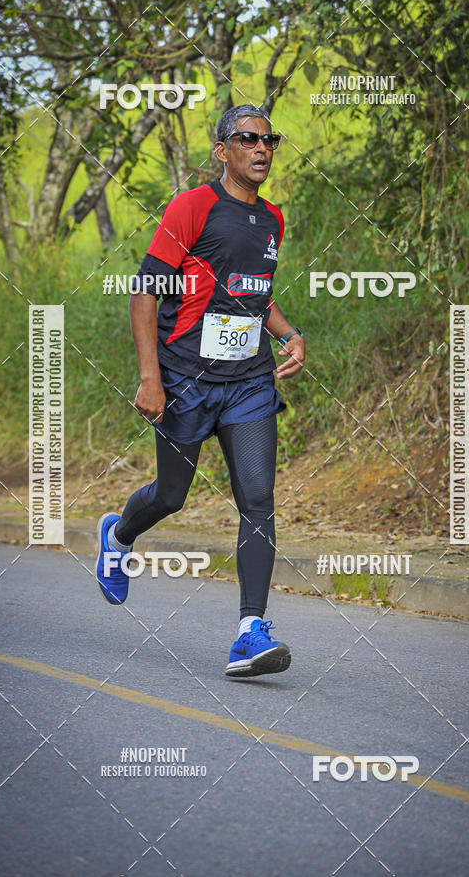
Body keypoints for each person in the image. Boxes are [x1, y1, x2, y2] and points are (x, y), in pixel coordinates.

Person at [95, 104, 305, 677]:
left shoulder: (272, 220)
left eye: (269, 140)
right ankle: (118, 533)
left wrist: (289, 335)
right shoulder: (191, 207)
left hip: (248, 385)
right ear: (223, 151)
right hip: (185, 380)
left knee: (257, 500)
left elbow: (254, 295)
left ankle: (249, 632)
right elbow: (144, 294)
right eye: (248, 139)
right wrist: (149, 377)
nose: (262, 149)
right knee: (171, 496)